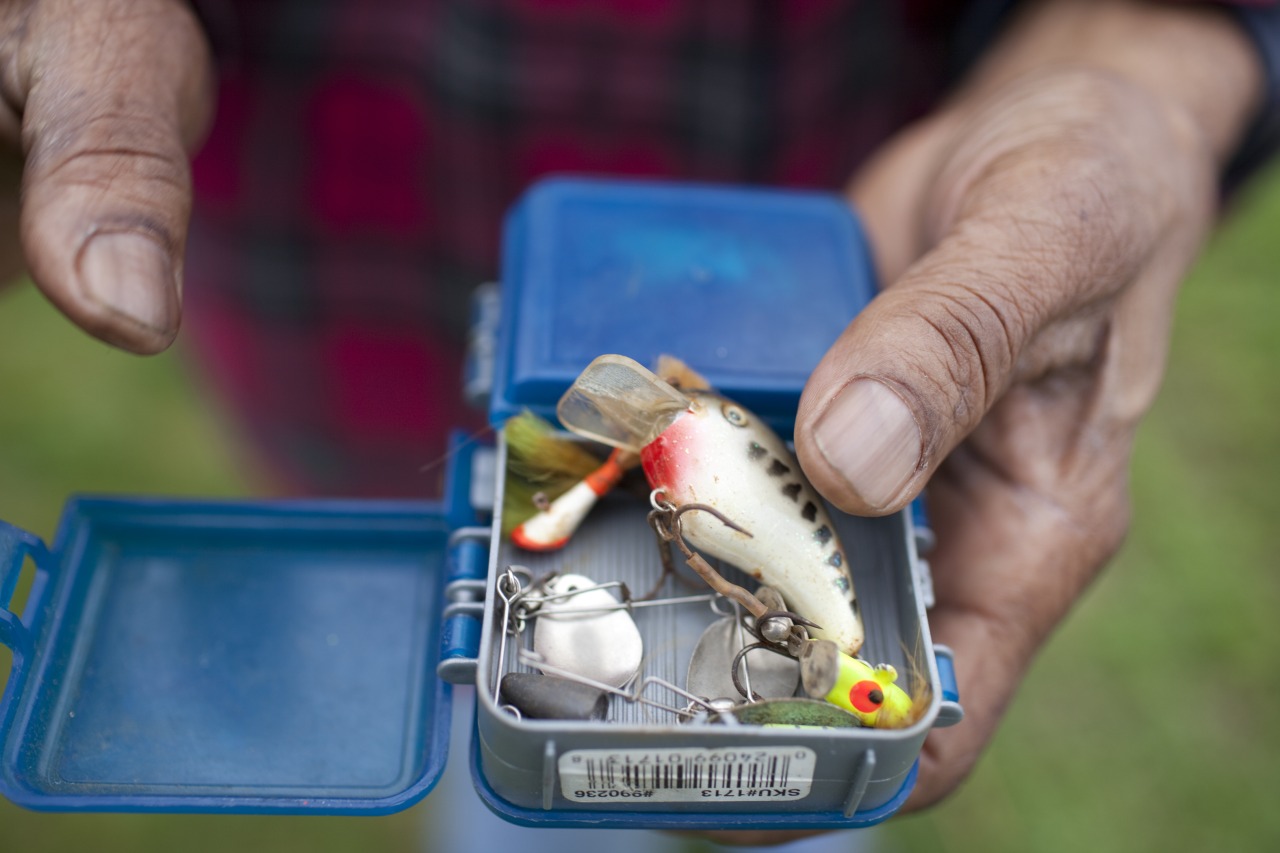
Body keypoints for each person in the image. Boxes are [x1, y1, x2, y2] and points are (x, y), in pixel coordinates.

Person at [0, 0, 1275, 846]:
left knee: (806, 805)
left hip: (840, 251)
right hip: (347, 332)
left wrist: (1135, 70)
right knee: (504, 769)